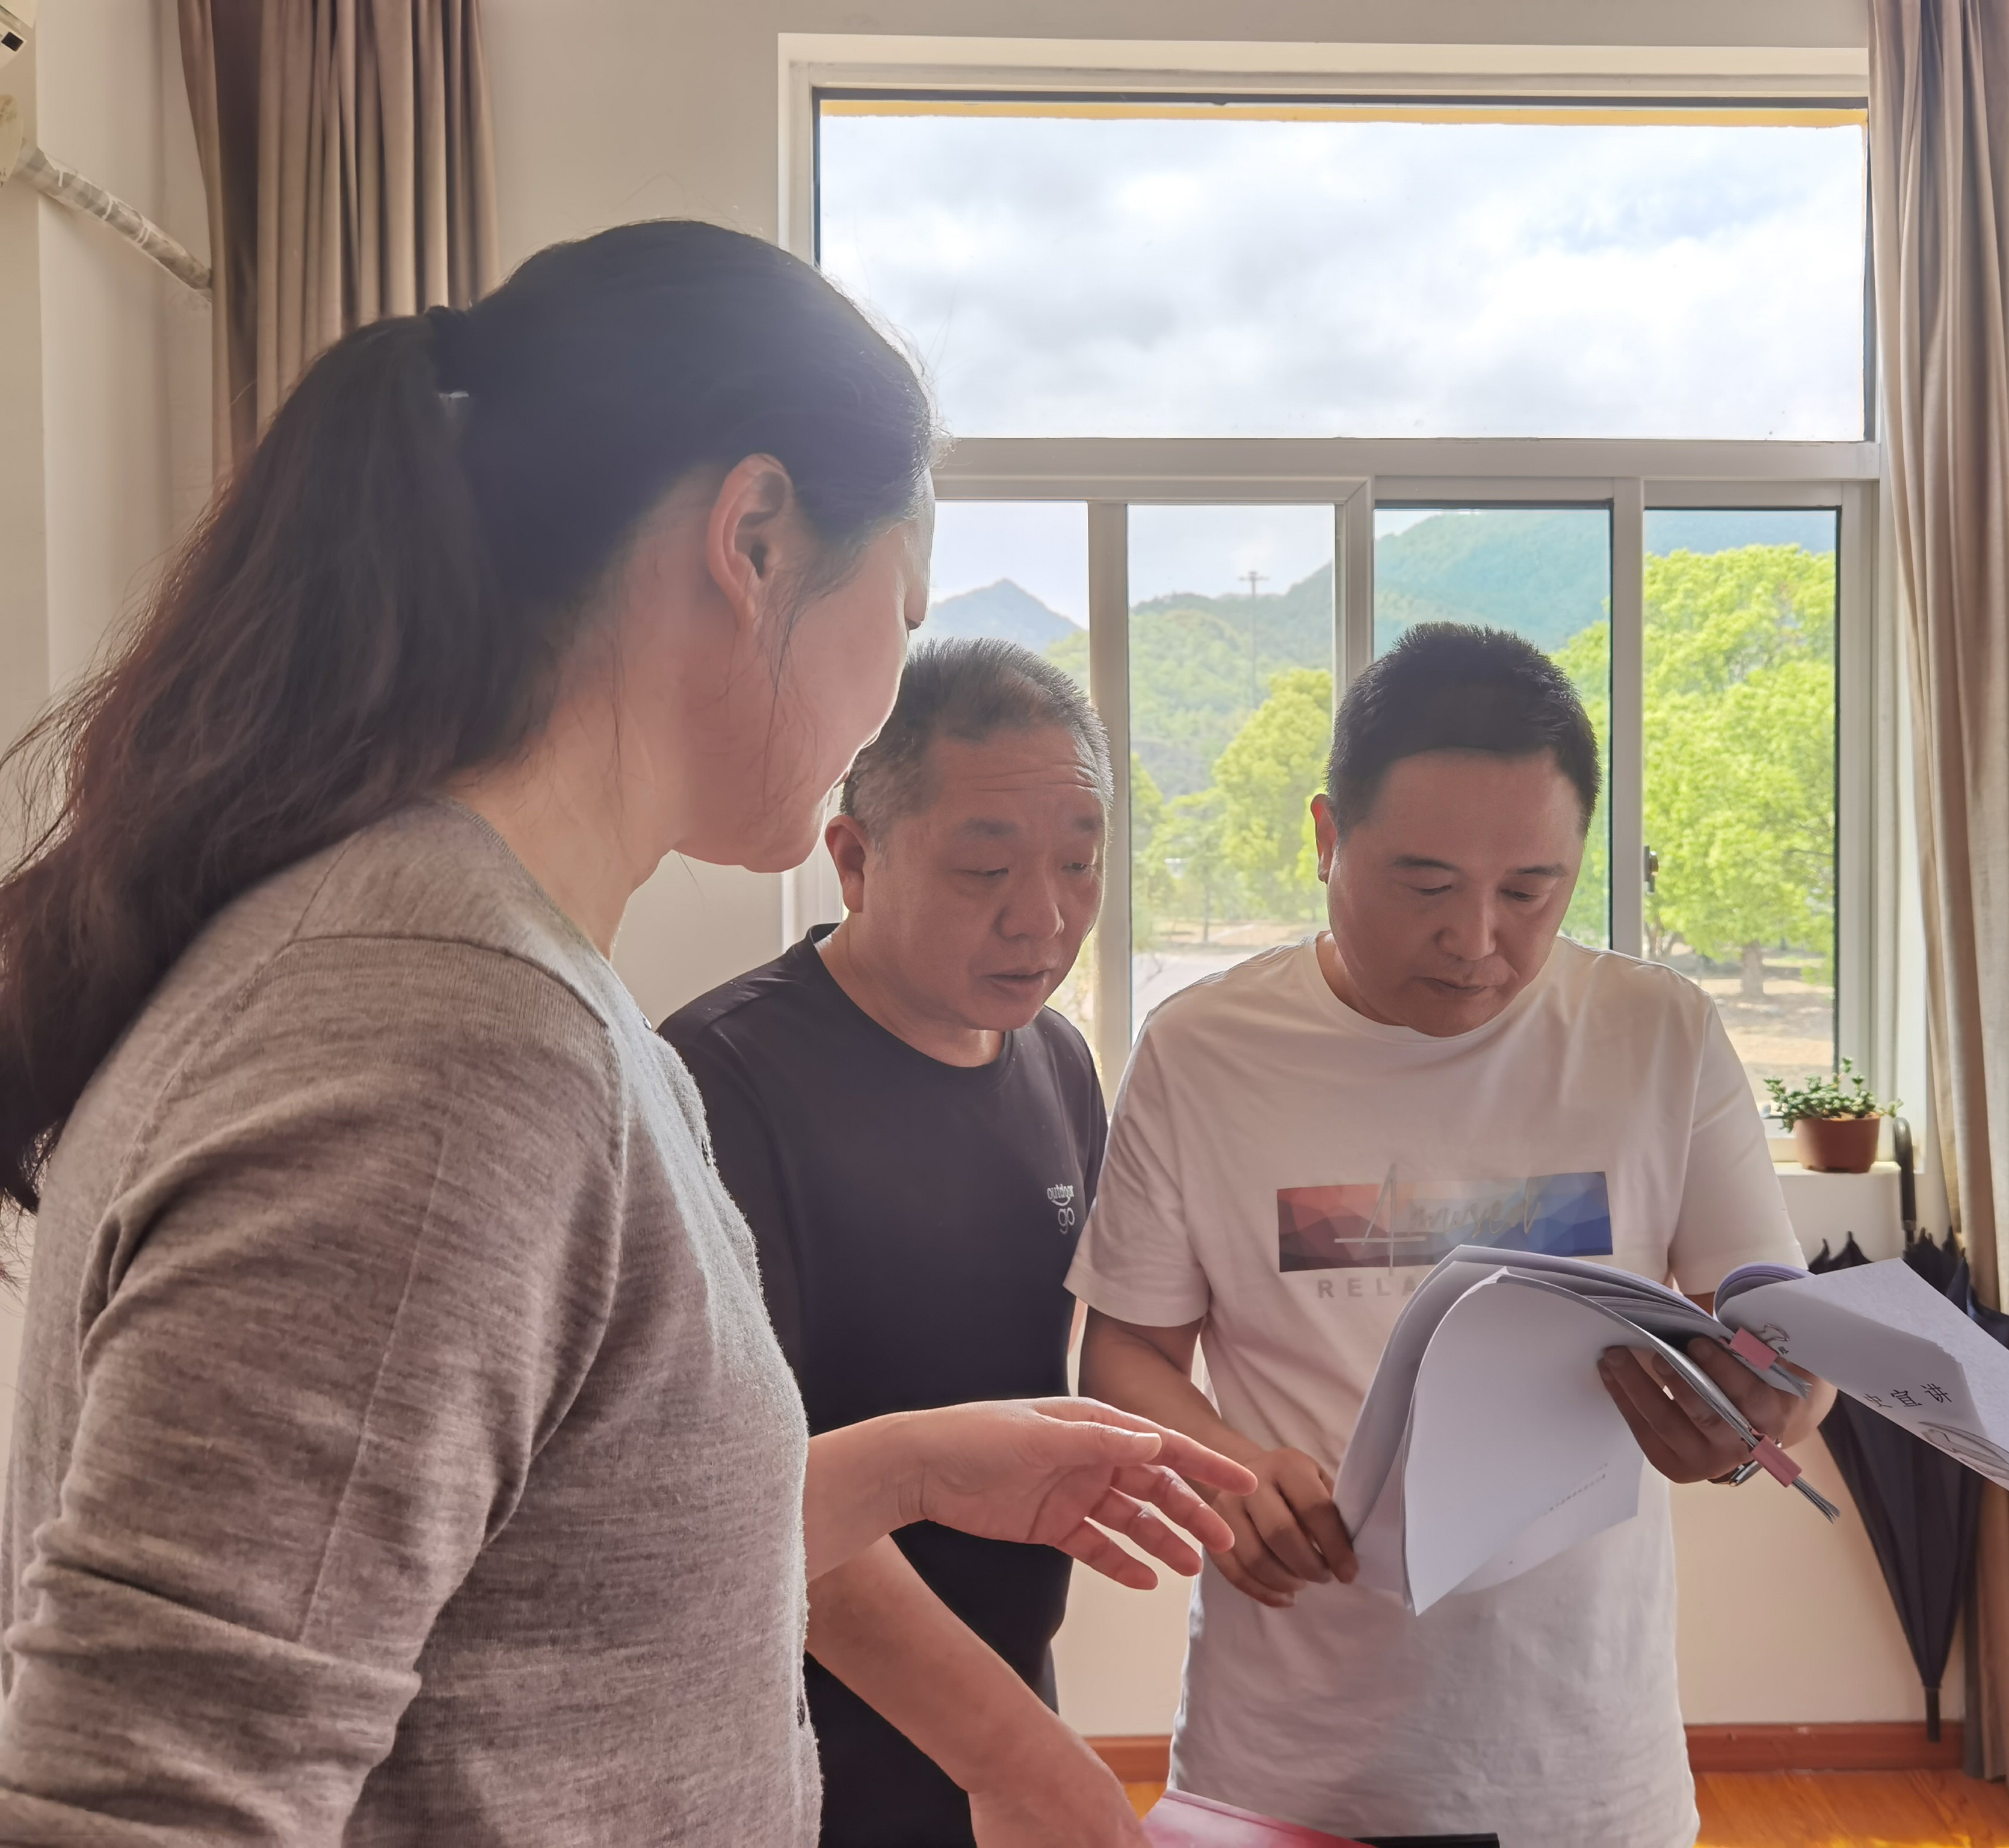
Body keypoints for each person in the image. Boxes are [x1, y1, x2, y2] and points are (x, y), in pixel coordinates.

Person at [0, 220, 1250, 1848]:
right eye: (902, 609)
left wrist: (906, 1471)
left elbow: (540, 1580)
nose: (892, 683)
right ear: (755, 540)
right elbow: (145, 1804)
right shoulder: (446, 1046)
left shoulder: (467, 978)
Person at [1072, 624, 1837, 1848]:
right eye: (1424, 886)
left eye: (1529, 891)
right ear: (1325, 837)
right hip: (1290, 1751)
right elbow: (1123, 1354)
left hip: (1584, 1759)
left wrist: (1763, 1416)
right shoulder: (1202, 1051)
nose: (1476, 939)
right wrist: (1225, 1466)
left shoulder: (1659, 1035)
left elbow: (1781, 1342)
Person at [662, 638, 1114, 1846]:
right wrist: (1017, 1755)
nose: (1043, 917)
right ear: (855, 860)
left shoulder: (1058, 1061)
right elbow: (746, 1487)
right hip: (801, 1743)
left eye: (1079, 863)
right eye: (985, 870)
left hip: (999, 1703)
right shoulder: (719, 1079)